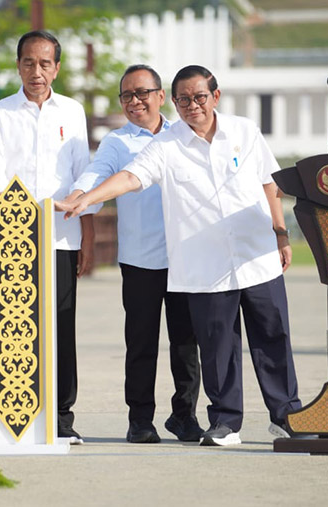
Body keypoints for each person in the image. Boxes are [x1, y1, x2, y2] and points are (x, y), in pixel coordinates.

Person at [60, 65, 302, 447]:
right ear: (174, 101)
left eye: (199, 97)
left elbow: (268, 182)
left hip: (254, 254)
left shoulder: (244, 131)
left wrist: (280, 233)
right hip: (199, 263)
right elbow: (127, 178)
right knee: (217, 345)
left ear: (215, 97)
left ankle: (286, 414)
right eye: (185, 100)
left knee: (270, 336)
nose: (193, 106)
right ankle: (223, 422)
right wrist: (84, 199)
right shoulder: (163, 146)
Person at [69, 65, 202, 444]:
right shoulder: (117, 142)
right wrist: (79, 197)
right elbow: (97, 175)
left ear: (162, 96)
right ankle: (140, 419)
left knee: (186, 343)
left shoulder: (186, 135)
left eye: (142, 93)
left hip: (185, 257)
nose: (135, 101)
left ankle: (184, 416)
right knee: (141, 344)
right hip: (141, 259)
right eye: (126, 95)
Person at [0, 30, 94, 444]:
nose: (37, 71)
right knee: (15, 326)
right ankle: (19, 415)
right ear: (18, 65)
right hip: (12, 239)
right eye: (29, 62)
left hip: (62, 237)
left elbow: (83, 175)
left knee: (62, 326)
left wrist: (88, 228)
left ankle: (63, 418)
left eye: (45, 63)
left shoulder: (73, 111)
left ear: (57, 68)